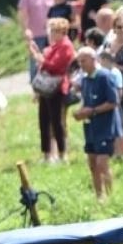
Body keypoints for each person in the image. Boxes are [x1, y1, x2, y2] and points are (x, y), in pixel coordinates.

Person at [73, 45, 119, 201]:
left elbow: (113, 102)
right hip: (90, 128)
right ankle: (99, 197)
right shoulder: (85, 80)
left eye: (83, 61)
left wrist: (92, 111)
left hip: (104, 127)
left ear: (93, 59)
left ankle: (111, 196)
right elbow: (87, 102)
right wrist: (81, 112)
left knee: (102, 163)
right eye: (79, 62)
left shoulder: (105, 77)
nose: (81, 65)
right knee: (92, 163)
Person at [29, 17, 75, 165]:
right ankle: (46, 154)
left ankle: (62, 154)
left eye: (55, 31)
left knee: (56, 121)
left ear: (62, 31)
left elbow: (55, 66)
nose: (51, 34)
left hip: (57, 87)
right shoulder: (53, 46)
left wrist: (39, 58)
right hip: (46, 87)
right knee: (43, 120)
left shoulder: (66, 46)